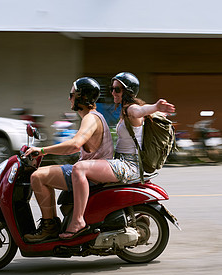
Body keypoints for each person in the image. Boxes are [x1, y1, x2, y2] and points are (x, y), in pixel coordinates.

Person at [59, 72, 175, 239]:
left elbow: (139, 111)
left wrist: (156, 107)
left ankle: (78, 221)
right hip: (122, 162)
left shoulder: (130, 109)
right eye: (111, 89)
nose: (113, 93)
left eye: (117, 89)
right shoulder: (123, 111)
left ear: (127, 92)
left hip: (128, 165)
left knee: (79, 169)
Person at [23, 77, 114, 242]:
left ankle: (49, 227)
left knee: (37, 177)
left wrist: (42, 151)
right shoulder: (91, 117)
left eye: (71, 94)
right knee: (41, 173)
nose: (69, 98)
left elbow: (74, 145)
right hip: (91, 170)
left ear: (82, 97)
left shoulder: (91, 118)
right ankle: (52, 223)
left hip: (92, 176)